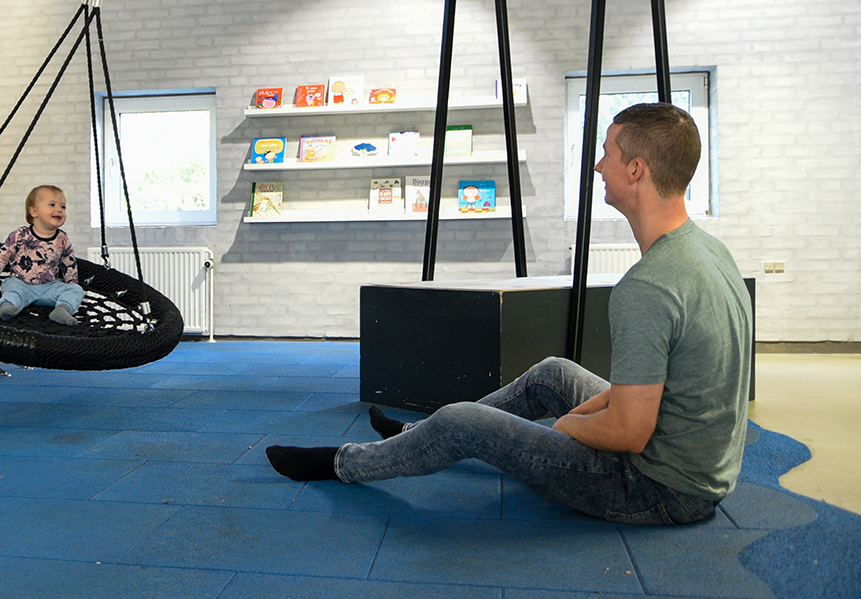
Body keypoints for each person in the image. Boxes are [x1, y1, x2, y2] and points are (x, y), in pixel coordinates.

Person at [267, 102, 753, 525]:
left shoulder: (648, 286)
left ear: (636, 170)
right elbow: (645, 399)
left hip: (657, 489)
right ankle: (413, 436)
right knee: (553, 375)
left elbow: (628, 431)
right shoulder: (707, 251)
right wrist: (583, 414)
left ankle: (343, 463)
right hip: (697, 468)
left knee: (461, 422)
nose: (598, 166)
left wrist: (566, 428)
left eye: (607, 153)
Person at [0, 184, 84, 326]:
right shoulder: (20, 235)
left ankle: (62, 309)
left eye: (63, 206)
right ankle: (7, 307)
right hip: (21, 284)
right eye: (52, 204)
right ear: (34, 212)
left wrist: (71, 284)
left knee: (76, 290)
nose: (59, 210)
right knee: (11, 288)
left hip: (49, 288)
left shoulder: (63, 239)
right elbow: (2, 257)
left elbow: (69, 264)